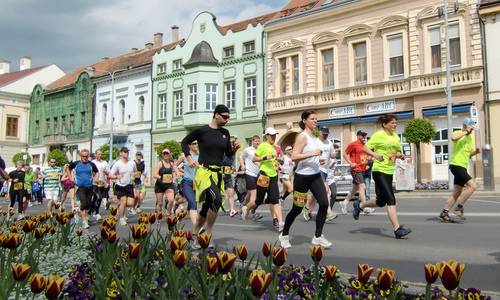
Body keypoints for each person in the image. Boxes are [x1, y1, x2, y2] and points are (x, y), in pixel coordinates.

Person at [181, 104, 240, 247]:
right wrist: (189, 158)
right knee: (217, 199)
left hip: (217, 173)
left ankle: (194, 234)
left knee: (208, 205)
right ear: (216, 115)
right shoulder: (202, 131)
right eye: (225, 117)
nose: (227, 119)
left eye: (228, 117)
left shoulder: (225, 133)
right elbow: (184, 142)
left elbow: (228, 153)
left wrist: (234, 149)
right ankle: (207, 235)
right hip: (204, 172)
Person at [352, 114, 412, 239]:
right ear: (385, 124)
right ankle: (397, 229)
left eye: (396, 123)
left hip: (390, 171)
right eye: (392, 123)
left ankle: (360, 205)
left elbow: (396, 151)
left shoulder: (395, 136)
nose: (395, 125)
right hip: (379, 170)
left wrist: (400, 155)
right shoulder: (378, 135)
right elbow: (365, 147)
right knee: (391, 198)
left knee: (381, 202)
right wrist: (374, 155)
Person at [279, 110, 333, 249]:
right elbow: (294, 156)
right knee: (297, 209)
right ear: (304, 120)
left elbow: (311, 155)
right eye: (312, 119)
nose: (316, 121)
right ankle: (284, 235)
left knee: (324, 203)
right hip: (302, 177)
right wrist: (312, 154)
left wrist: (317, 160)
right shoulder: (302, 136)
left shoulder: (314, 136)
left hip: (315, 175)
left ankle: (318, 236)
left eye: (316, 119)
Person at [242, 128, 284, 231]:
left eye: (275, 135)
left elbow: (274, 160)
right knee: (258, 200)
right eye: (272, 135)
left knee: (275, 200)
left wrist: (278, 161)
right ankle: (246, 208)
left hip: (273, 175)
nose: (274, 137)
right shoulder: (262, 146)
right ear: (267, 136)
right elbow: (254, 159)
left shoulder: (273, 147)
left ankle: (281, 223)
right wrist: (265, 158)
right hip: (263, 176)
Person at [439, 118, 480, 222]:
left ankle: (444, 212)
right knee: (473, 186)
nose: (472, 129)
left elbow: (469, 154)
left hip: (462, 166)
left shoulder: (470, 138)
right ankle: (459, 207)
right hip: (456, 165)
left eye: (472, 127)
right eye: (470, 126)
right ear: (465, 126)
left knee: (457, 192)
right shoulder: (458, 132)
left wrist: (476, 152)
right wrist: (465, 132)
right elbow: (453, 138)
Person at [303, 127, 338, 222]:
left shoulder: (329, 143)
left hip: (325, 170)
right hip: (317, 168)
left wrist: (334, 154)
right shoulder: (315, 141)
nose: (326, 135)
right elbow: (309, 153)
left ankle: (306, 209)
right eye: (324, 133)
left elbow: (331, 154)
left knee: (316, 193)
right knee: (326, 190)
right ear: (320, 132)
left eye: (327, 134)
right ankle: (328, 213)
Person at [340, 130, 375, 215]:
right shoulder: (353, 144)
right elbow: (344, 154)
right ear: (358, 136)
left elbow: (364, 157)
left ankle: (344, 203)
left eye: (365, 135)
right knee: (362, 186)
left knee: (355, 189)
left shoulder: (364, 145)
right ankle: (364, 206)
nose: (364, 137)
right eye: (362, 135)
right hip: (356, 169)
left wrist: (369, 160)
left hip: (362, 169)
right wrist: (350, 163)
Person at [69, 149, 99, 229]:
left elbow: (97, 172)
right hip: (80, 187)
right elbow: (68, 168)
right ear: (81, 156)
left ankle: (83, 216)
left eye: (86, 156)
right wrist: (71, 178)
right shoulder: (76, 164)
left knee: (88, 205)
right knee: (84, 203)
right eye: (83, 156)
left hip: (89, 187)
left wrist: (96, 178)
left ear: (88, 156)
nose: (85, 158)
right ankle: (84, 221)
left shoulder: (91, 164)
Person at [109, 147, 137, 226]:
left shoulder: (132, 163)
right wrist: (116, 177)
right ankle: (121, 218)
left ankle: (120, 206)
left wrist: (134, 176)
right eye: (124, 152)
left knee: (131, 203)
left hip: (129, 185)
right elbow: (110, 175)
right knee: (123, 201)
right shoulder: (117, 163)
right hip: (120, 186)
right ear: (120, 153)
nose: (126, 153)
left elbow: (136, 172)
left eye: (127, 152)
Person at [239, 135, 262, 221]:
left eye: (259, 141)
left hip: (259, 175)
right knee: (254, 197)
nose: (258, 142)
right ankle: (251, 212)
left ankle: (243, 205)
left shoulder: (261, 150)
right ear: (252, 141)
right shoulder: (248, 150)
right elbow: (241, 157)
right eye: (256, 141)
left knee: (249, 194)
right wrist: (242, 165)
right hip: (249, 174)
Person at [178, 140, 199, 228]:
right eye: (194, 143)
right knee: (193, 204)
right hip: (186, 182)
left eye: (197, 143)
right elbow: (175, 165)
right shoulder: (184, 156)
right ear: (189, 146)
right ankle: (197, 228)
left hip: (196, 184)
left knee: (190, 205)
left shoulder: (200, 155)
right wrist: (178, 173)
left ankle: (177, 211)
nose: (196, 145)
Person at [153, 148, 178, 215]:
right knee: (160, 203)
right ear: (162, 155)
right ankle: (159, 216)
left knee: (171, 200)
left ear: (169, 155)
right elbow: (154, 174)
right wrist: (161, 177)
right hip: (159, 185)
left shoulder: (171, 164)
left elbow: (175, 171)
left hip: (169, 185)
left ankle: (168, 212)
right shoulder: (160, 164)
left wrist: (175, 177)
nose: (165, 155)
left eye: (167, 153)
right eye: (164, 153)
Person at [222, 136, 238, 217]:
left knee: (231, 192)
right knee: (216, 195)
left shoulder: (233, 152)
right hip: (220, 174)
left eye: (233, 143)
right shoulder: (222, 151)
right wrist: (221, 172)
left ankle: (232, 210)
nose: (232, 145)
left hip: (228, 174)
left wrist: (233, 167)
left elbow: (233, 162)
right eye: (231, 143)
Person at [91, 149, 108, 220]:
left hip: (102, 183)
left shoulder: (104, 162)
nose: (99, 155)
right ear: (95, 154)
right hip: (94, 183)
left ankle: (94, 211)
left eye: (101, 154)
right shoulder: (92, 162)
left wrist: (107, 181)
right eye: (98, 154)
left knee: (98, 198)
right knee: (98, 197)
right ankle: (95, 212)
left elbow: (108, 172)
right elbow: (90, 172)